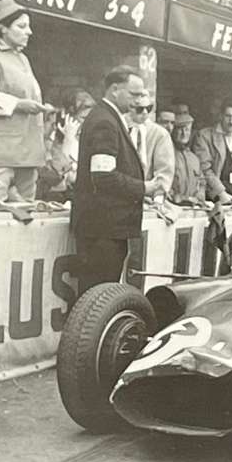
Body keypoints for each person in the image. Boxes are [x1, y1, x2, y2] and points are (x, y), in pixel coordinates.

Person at [69, 65, 154, 299]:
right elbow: (104, 175)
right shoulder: (105, 121)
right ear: (115, 90)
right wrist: (144, 188)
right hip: (103, 229)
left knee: (99, 294)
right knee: (97, 299)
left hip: (105, 227)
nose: (138, 100)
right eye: (134, 94)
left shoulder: (107, 117)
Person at [0, 0, 52, 207]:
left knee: (26, 212)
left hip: (28, 151)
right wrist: (19, 104)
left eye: (28, 26)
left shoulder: (22, 59)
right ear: (2, 28)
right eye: (21, 26)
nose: (28, 32)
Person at [192, 102, 232, 205]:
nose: (231, 121)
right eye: (228, 116)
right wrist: (220, 193)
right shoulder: (204, 136)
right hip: (210, 196)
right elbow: (204, 169)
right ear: (221, 116)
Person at [128, 87, 174, 202]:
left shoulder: (160, 134)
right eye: (139, 109)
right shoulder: (121, 129)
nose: (144, 112)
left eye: (148, 108)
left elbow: (164, 170)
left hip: (150, 197)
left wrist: (158, 197)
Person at [168, 113, 220, 205]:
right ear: (173, 131)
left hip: (192, 209)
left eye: (187, 129)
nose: (184, 133)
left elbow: (202, 182)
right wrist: (180, 198)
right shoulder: (167, 155)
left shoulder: (194, 158)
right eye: (180, 129)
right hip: (173, 207)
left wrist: (200, 196)